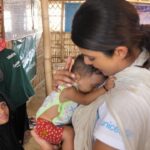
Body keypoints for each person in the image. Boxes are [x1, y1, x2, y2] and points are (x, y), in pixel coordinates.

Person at [32, 0, 150, 150]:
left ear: (120, 52)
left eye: (92, 57)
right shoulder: (120, 70)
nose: (86, 62)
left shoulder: (125, 102)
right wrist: (74, 87)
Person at [33, 54, 115, 150]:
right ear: (77, 77)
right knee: (69, 133)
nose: (94, 89)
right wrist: (105, 88)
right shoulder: (69, 90)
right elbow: (85, 100)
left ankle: (50, 146)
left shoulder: (75, 86)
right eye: (93, 86)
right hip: (44, 126)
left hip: (48, 126)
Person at [0, 48, 35, 144]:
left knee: (13, 129)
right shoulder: (11, 52)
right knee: (20, 122)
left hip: (11, 101)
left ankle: (17, 142)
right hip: (20, 93)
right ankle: (20, 141)